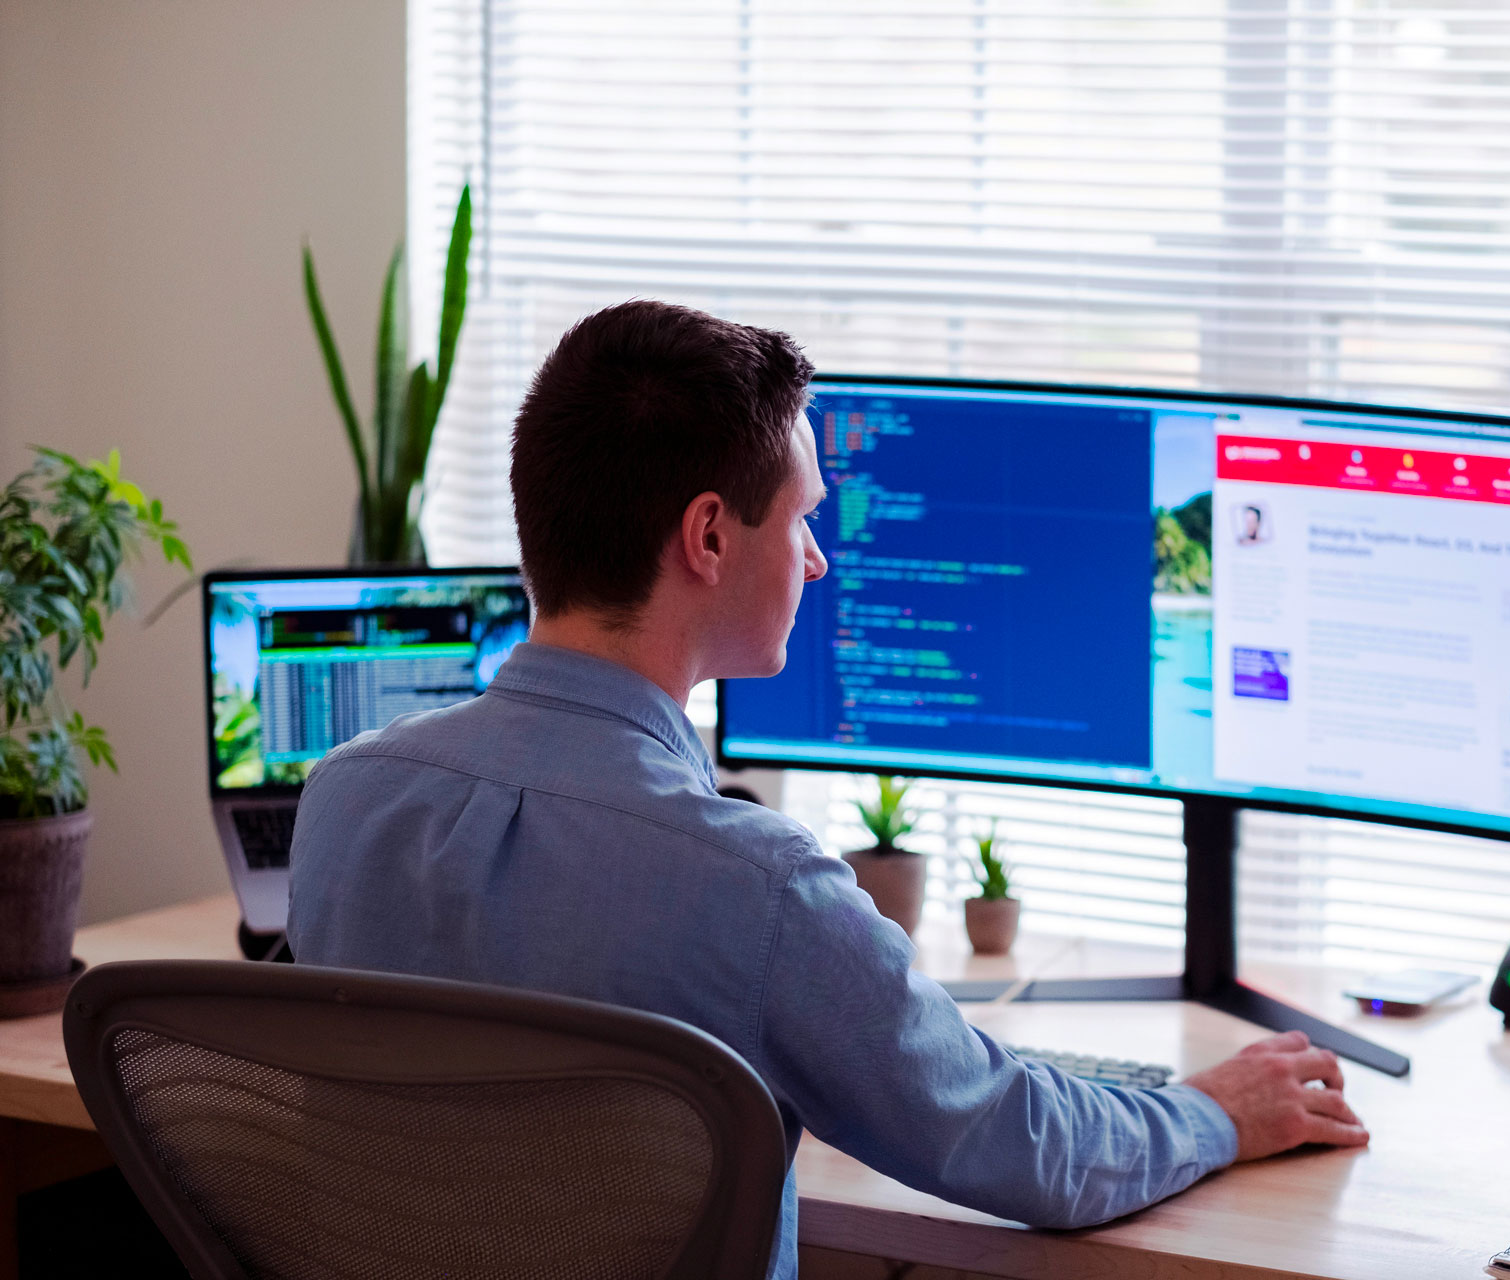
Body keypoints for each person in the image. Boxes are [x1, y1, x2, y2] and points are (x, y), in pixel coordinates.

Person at [287, 299, 1367, 1280]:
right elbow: (1018, 1143)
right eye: (802, 518)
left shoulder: (345, 799)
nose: (817, 561)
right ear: (710, 536)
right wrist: (1214, 1112)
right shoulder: (753, 886)